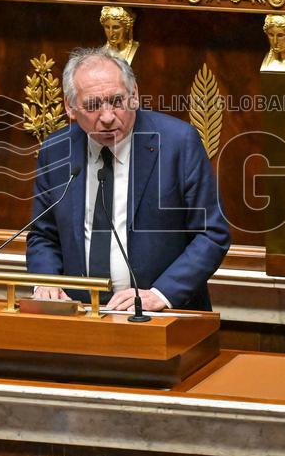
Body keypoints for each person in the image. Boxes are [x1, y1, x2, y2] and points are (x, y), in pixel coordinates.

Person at [26, 47, 230, 311]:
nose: (108, 117)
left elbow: (211, 233)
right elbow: (43, 235)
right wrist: (45, 281)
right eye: (93, 105)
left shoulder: (178, 143)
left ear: (134, 95)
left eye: (117, 101)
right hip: (79, 316)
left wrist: (162, 293)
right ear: (70, 107)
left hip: (159, 315)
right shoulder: (56, 150)